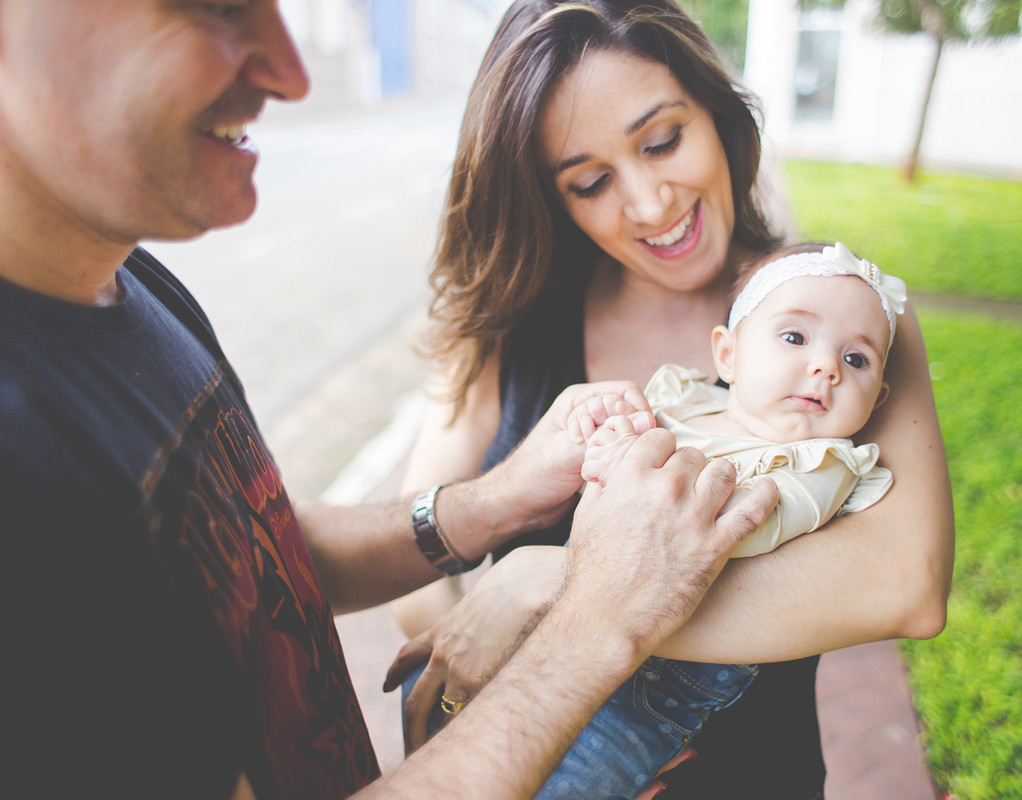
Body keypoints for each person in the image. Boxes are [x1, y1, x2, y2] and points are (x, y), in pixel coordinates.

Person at [0, 2, 781, 799]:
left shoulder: (132, 286)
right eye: (214, 6)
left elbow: (251, 543)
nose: (292, 74)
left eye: (661, 141)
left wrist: (491, 504)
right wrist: (586, 623)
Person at [386, 2, 955, 797]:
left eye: (662, 141)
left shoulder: (848, 319)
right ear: (555, 198)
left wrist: (550, 581)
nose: (650, 204)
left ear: (716, 114)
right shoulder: (509, 327)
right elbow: (420, 563)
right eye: (591, 182)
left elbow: (908, 583)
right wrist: (521, 705)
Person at [395, 241, 907, 798]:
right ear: (727, 355)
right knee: (440, 709)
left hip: (649, 688)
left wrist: (623, 468)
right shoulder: (684, 402)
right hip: (551, 635)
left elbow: (743, 529)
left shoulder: (819, 464)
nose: (824, 366)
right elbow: (616, 443)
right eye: (795, 338)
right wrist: (605, 429)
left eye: (856, 359)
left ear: (877, 399)